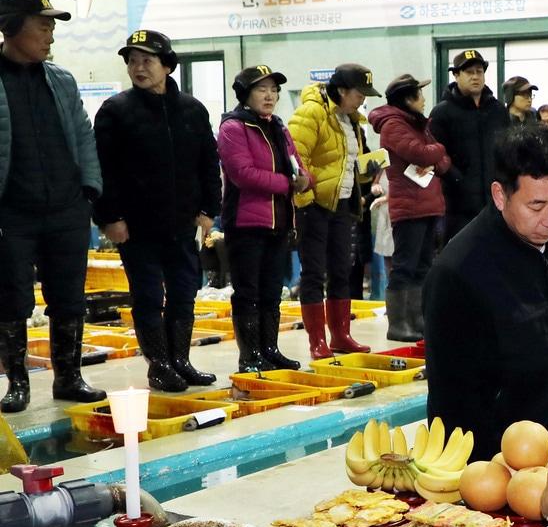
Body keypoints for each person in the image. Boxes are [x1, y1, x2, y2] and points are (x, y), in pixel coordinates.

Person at [423, 124, 548, 460]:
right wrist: (482, 469)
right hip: (494, 454)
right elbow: (453, 398)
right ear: (500, 195)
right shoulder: (459, 272)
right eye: (536, 206)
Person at [95, 30, 221, 392]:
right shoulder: (116, 111)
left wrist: (208, 209)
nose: (139, 68)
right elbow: (103, 168)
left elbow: (208, 163)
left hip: (182, 223)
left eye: (147, 60)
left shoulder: (192, 110)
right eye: (132, 61)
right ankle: (159, 365)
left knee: (184, 292)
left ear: (167, 65)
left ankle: (180, 360)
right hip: (136, 227)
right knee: (148, 296)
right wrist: (109, 217)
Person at [0, 0, 105, 412]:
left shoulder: (61, 80)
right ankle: (17, 383)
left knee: (69, 296)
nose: (50, 36)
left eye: (51, 27)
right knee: (11, 298)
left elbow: (83, 135)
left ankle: (69, 377)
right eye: (42, 27)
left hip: (66, 208)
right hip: (11, 213)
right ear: (11, 27)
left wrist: (89, 190)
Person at [217, 65, 310, 373]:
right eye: (262, 90)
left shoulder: (279, 127)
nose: (270, 96)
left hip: (278, 222)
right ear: (245, 94)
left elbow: (297, 164)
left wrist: (304, 179)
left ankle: (270, 350)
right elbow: (242, 174)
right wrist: (287, 184)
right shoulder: (233, 128)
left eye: (274, 90)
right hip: (246, 224)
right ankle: (250, 355)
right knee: (248, 291)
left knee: (272, 290)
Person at [289, 63, 380, 358]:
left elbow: (346, 165)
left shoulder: (352, 120)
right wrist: (305, 199)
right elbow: (295, 159)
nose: (362, 100)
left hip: (342, 206)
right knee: (314, 273)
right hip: (314, 206)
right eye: (358, 93)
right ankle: (317, 341)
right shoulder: (311, 113)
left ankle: (341, 335)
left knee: (342, 270)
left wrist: (367, 172)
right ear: (341, 90)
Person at [367, 74, 450, 343]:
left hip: (428, 204)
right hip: (409, 206)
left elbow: (443, 163)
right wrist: (439, 148)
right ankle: (398, 324)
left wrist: (434, 156)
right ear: (407, 99)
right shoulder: (393, 125)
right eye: (419, 94)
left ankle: (417, 319)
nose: (424, 99)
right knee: (404, 267)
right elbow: (422, 154)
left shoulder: (418, 124)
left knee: (423, 265)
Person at [429, 49, 508, 241]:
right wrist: (457, 179)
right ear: (456, 75)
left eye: (479, 72)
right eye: (469, 72)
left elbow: (507, 149)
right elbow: (436, 155)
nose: (475, 77)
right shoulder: (442, 113)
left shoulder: (498, 110)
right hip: (457, 205)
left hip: (495, 201)